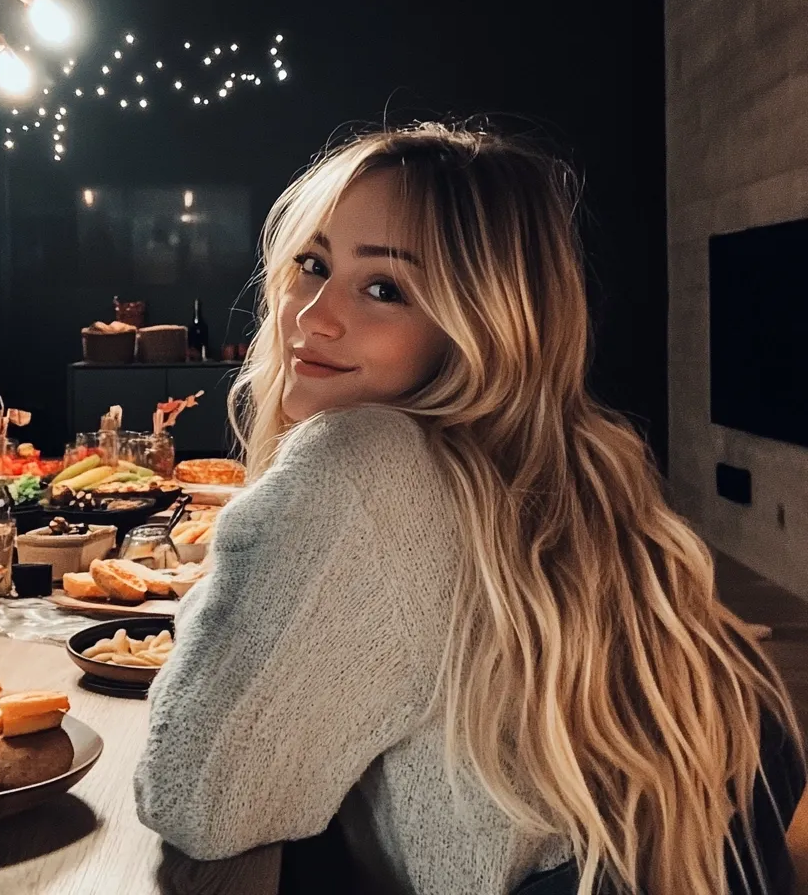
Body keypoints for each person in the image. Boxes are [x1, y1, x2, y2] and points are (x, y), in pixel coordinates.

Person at [134, 123, 805, 895]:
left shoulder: (360, 464)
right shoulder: (575, 465)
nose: (311, 315)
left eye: (384, 288)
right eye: (312, 264)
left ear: (477, 323)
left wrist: (232, 577)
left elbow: (198, 796)